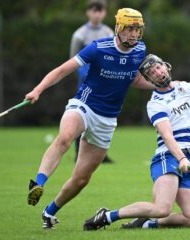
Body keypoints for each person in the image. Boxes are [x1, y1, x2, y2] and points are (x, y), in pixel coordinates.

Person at [26, 8, 154, 229]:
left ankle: (49, 212)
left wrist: (163, 86)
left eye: (137, 29)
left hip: (108, 119)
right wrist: (38, 90)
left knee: (82, 179)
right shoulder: (98, 48)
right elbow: (62, 70)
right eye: (130, 29)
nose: (134, 34)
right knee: (65, 138)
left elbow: (133, 80)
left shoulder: (140, 50)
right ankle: (37, 183)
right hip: (84, 105)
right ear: (119, 28)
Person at [83, 54, 190, 230]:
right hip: (169, 157)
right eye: (152, 72)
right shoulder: (155, 104)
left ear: (166, 66)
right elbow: (167, 135)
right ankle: (107, 216)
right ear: (148, 79)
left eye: (158, 67)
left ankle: (147, 224)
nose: (157, 72)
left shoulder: (183, 87)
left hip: (185, 158)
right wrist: (181, 158)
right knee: (161, 208)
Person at [70, 0, 115, 163]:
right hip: (87, 82)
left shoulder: (109, 32)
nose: (97, 14)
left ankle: (102, 155)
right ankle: (78, 154)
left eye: (100, 10)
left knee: (104, 116)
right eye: (94, 10)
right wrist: (85, 76)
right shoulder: (80, 34)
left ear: (104, 13)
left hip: (106, 82)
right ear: (88, 12)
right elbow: (73, 59)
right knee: (80, 115)